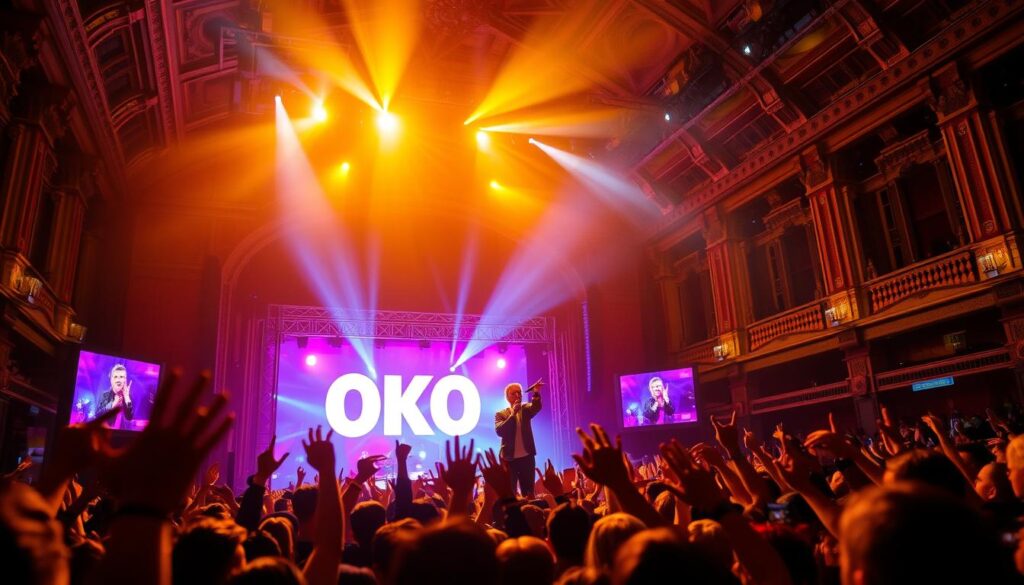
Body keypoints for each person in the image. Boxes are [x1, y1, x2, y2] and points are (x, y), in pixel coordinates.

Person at [495, 380, 544, 497]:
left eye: (519, 392)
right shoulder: (501, 414)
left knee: (529, 493)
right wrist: (513, 415)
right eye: (514, 393)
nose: (517, 395)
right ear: (507, 397)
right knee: (510, 493)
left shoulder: (525, 409)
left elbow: (536, 407)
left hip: (527, 458)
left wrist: (536, 393)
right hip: (509, 459)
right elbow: (500, 431)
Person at [96, 364, 134, 429]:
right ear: (111, 380)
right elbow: (97, 415)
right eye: (115, 377)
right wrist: (112, 405)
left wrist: (127, 399)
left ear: (125, 380)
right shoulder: (104, 395)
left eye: (121, 377)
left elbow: (129, 417)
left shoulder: (128, 397)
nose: (118, 380)